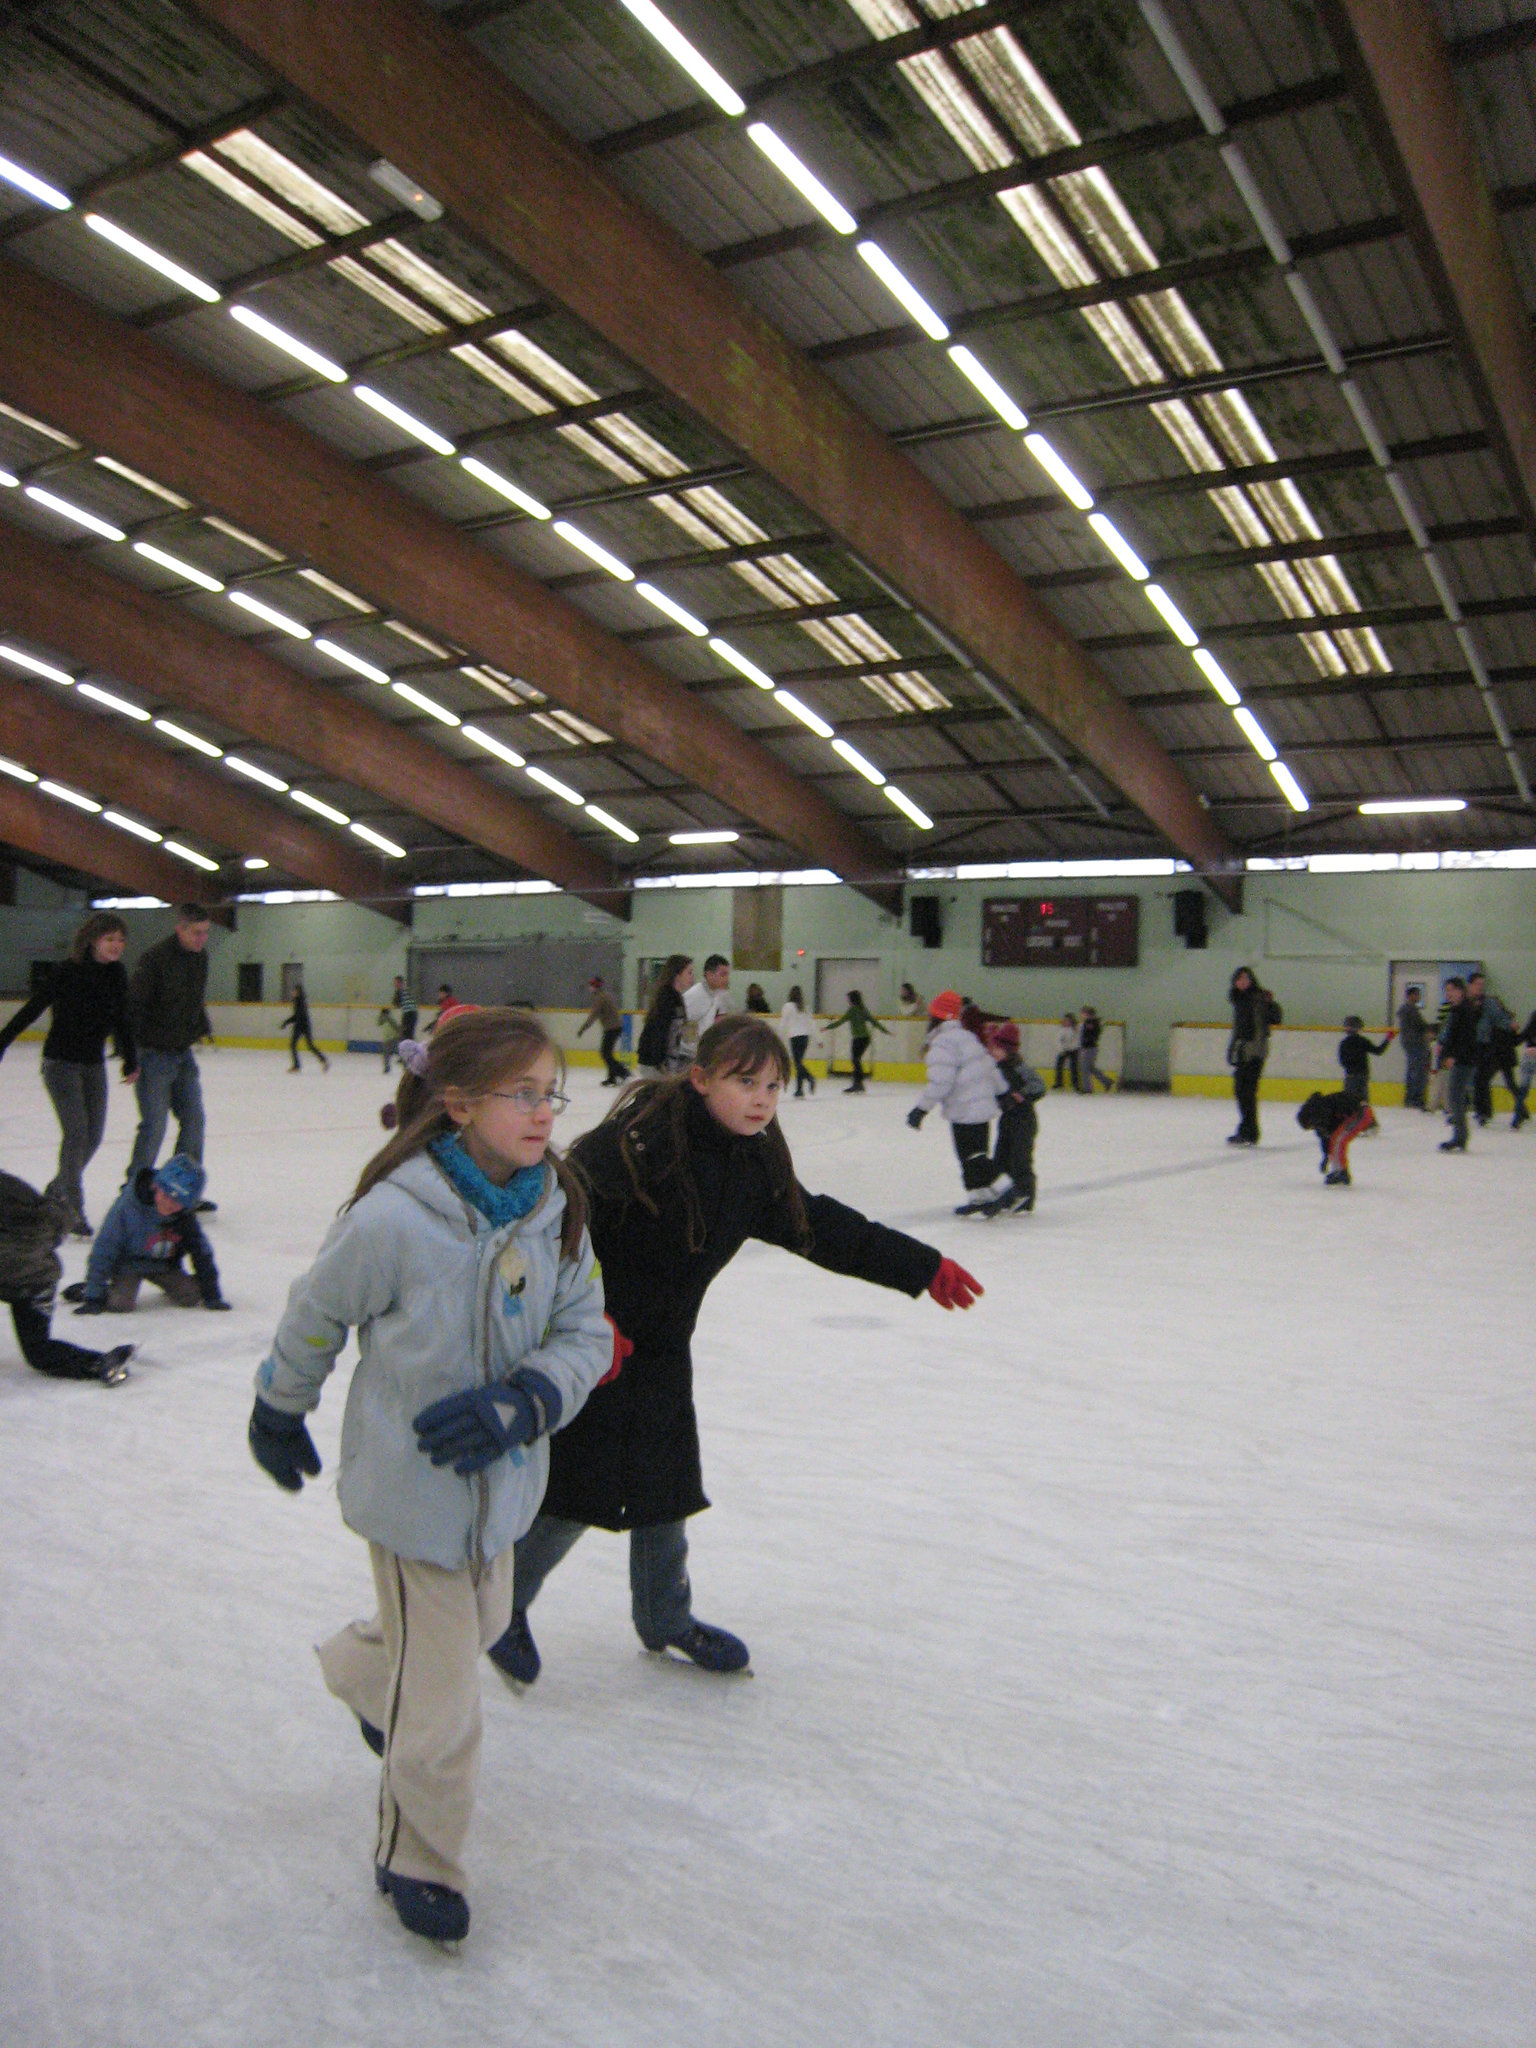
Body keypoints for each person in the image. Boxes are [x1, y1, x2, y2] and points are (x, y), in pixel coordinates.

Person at [246, 1011, 609, 1946]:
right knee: (445, 1709)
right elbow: (317, 1314)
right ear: (458, 1103)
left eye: (550, 1092)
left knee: (480, 1627)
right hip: (412, 1496)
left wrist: (525, 1402)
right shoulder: (393, 1219)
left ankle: (363, 1674)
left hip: (506, 1487)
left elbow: (586, 1333)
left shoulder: (555, 1207)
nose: (544, 1111)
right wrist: (279, 1406)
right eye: (521, 1093)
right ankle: (416, 1856)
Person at [484, 1016, 980, 1691]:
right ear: (700, 1078)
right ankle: (500, 1608)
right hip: (588, 1344)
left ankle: (665, 1618)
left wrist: (918, 1267)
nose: (762, 1100)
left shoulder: (753, 1165)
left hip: (660, 1349)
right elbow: (555, 1227)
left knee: (666, 1487)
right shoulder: (636, 1143)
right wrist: (588, 1322)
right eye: (745, 1082)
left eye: (774, 1087)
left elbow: (820, 1227)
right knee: (577, 1491)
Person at [0, 911, 138, 1237]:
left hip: (93, 1066)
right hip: (60, 1064)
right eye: (110, 939)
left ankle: (56, 1189)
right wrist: (4, 1039)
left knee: (93, 1137)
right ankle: (72, 1209)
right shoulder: (67, 971)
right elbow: (34, 1006)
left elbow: (121, 1018)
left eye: (121, 939)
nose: (117, 945)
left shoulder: (117, 974)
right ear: (93, 940)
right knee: (77, 1135)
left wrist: (129, 1057)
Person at [0, 1170, 132, 1384]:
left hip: (33, 1280)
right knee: (38, 1351)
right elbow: (59, 1220)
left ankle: (100, 1362)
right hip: (36, 1275)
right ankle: (100, 1362)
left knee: (38, 1351)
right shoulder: (15, 1192)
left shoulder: (13, 1199)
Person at [70, 1153, 229, 1314]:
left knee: (191, 1296)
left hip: (164, 1264)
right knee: (120, 1304)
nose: (168, 1205)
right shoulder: (125, 1208)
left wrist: (212, 1295)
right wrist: (94, 1295)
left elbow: (201, 1252)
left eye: (176, 1203)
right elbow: (104, 1248)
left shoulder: (184, 1218)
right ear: (155, 1186)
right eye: (165, 1196)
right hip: (128, 1264)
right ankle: (86, 1289)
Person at [126, 902, 212, 1188]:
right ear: (180, 929)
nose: (201, 939)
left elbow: (193, 1000)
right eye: (196, 933)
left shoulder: (201, 959)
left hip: (182, 1053)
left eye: (205, 933)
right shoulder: (155, 959)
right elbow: (134, 1006)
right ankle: (136, 1188)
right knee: (154, 1126)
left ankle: (181, 1188)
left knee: (194, 1120)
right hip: (152, 1054)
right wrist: (130, 1052)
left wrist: (200, 1025)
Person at [906, 991, 1007, 1212]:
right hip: (981, 1107)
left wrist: (921, 1110)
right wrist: (1003, 1092)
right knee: (976, 1154)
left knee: (970, 1157)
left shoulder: (942, 1043)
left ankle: (1007, 1189)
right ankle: (980, 1198)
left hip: (964, 1108)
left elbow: (941, 1082)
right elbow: (989, 1065)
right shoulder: (967, 1036)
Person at [979, 1021, 1045, 1217]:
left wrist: (1022, 1095)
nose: (994, 1052)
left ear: (1009, 1050)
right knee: (1000, 1158)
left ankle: (1025, 1196)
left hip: (1024, 1121)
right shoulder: (995, 1069)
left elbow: (1039, 1086)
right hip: (1007, 1120)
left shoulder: (1020, 1068)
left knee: (1020, 1158)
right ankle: (1005, 1194)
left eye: (998, 1049)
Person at [1226, 967, 1282, 1145]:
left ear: (1251, 980)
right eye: (1239, 979)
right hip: (1243, 1050)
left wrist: (1270, 1004)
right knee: (1242, 1092)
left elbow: (1273, 1019)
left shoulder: (1257, 998)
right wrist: (1232, 1049)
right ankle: (1248, 1130)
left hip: (1255, 1051)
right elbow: (1238, 1029)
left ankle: (1249, 1132)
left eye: (1246, 978)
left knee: (1246, 1092)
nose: (1242, 982)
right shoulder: (1239, 1000)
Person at [1296, 1091, 1378, 1187]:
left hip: (1361, 1113)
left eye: (1311, 1127)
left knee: (1338, 1140)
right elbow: (1326, 1137)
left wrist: (1327, 1155)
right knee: (1336, 1139)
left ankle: (1341, 1172)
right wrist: (1326, 1156)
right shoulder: (1319, 1112)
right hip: (1359, 1112)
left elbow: (1327, 1134)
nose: (1313, 1128)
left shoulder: (1322, 1113)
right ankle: (1339, 1171)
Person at [1434, 975, 1477, 1152]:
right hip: (1460, 1059)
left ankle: (1460, 1137)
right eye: (1446, 991)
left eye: (1451, 990)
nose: (1448, 994)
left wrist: (1454, 1056)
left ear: (1460, 991)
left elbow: (1465, 1039)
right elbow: (1451, 1037)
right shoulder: (1456, 1010)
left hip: (1463, 1060)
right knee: (1455, 1097)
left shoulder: (1464, 1011)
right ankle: (1460, 1135)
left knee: (1455, 1097)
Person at [1466, 972, 1513, 1126]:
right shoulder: (1465, 1002)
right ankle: (1468, 1109)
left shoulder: (1488, 1003)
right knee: (1470, 1078)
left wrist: (1509, 1024)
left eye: (1482, 984)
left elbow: (1500, 1018)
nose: (1480, 987)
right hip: (1468, 1045)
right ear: (1470, 985)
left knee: (1481, 1078)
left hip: (1485, 1045)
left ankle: (1483, 1111)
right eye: (1478, 984)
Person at [636, 954, 695, 1076]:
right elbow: (659, 1032)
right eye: (689, 973)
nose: (692, 977)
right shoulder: (667, 998)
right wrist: (661, 1063)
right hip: (655, 1064)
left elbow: (675, 1034)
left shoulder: (675, 997)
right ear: (677, 975)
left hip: (661, 1063)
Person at [826, 988, 889, 1093]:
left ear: (852, 999)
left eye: (848, 999)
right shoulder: (863, 1009)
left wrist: (828, 1027)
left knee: (855, 1060)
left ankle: (857, 1084)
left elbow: (841, 1021)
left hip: (858, 1039)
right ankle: (858, 1084)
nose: (847, 1001)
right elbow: (874, 1022)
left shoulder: (853, 1010)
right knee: (856, 1060)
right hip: (865, 1038)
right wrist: (885, 1031)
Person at [576, 975, 629, 1087]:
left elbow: (593, 1016)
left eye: (591, 986)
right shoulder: (606, 995)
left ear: (596, 987)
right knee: (607, 1053)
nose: (590, 988)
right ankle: (612, 1078)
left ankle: (623, 1072)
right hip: (615, 1027)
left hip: (612, 1028)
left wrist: (582, 1029)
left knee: (605, 1053)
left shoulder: (600, 998)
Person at [1337, 1016, 1394, 1105]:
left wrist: (1351, 1065)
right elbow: (1378, 1051)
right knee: (1363, 1101)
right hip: (1363, 1075)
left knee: (1349, 1101)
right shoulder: (1363, 1041)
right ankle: (1364, 1116)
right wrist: (1388, 1039)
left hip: (1351, 1075)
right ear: (1359, 1028)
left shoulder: (1344, 1043)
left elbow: (1342, 1061)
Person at [282, 976, 329, 1073]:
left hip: (302, 1026)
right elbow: (297, 1016)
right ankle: (297, 1065)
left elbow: (298, 1016)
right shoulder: (298, 1001)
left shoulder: (300, 1002)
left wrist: (287, 1022)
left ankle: (323, 1061)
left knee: (307, 1046)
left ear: (298, 992)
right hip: (302, 1025)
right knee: (295, 1045)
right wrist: (287, 1022)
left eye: (294, 991)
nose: (292, 993)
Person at [684, 953, 732, 1046]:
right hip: (689, 1054)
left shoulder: (718, 994)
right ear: (709, 975)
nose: (727, 979)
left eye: (727, 974)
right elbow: (685, 1025)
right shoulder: (695, 995)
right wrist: (695, 1052)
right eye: (723, 975)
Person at [779, 984, 817, 1097]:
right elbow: (812, 1023)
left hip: (795, 1037)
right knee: (799, 1062)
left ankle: (809, 1077)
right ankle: (799, 1090)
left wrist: (779, 1036)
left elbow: (783, 1022)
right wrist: (818, 1039)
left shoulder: (788, 1006)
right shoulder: (805, 1007)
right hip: (805, 1037)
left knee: (797, 1063)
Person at [1078, 1005, 1114, 1093]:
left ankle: (1087, 1088)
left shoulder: (1090, 1023)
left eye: (1083, 1013)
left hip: (1089, 1047)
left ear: (1087, 1014)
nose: (1081, 1015)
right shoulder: (1093, 1022)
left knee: (1085, 1068)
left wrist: (1084, 1046)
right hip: (1091, 1047)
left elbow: (1089, 1036)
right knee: (1090, 1068)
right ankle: (1106, 1081)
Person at [1511, 1006, 1536, 1130]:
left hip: (1529, 1056)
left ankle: (1517, 1117)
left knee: (1523, 1089)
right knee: (1523, 1088)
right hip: (1531, 1057)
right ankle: (1517, 1117)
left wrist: (1515, 1032)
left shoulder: (1532, 1021)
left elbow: (1519, 1039)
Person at [1053, 1014, 1080, 1093]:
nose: (1064, 1022)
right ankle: (1059, 1083)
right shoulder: (1062, 1030)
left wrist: (1076, 1048)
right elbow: (1058, 1041)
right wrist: (1061, 1050)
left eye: (1067, 1020)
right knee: (1059, 1066)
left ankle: (1075, 1084)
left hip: (1074, 1050)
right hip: (1064, 1050)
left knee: (1074, 1067)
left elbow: (1078, 1040)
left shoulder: (1076, 1030)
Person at [377, 1004, 401, 1075]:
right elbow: (396, 1027)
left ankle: (387, 1067)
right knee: (399, 1052)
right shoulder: (389, 1019)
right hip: (393, 1037)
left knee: (386, 1054)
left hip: (389, 1038)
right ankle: (405, 1066)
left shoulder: (385, 1019)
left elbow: (379, 1023)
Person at [393, 975, 417, 1046]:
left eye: (396, 983)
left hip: (408, 1014)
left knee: (405, 1034)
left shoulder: (400, 991)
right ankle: (410, 1050)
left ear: (400, 983)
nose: (395, 985)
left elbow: (396, 1004)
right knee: (409, 1033)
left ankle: (407, 1051)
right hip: (413, 1013)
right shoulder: (407, 990)